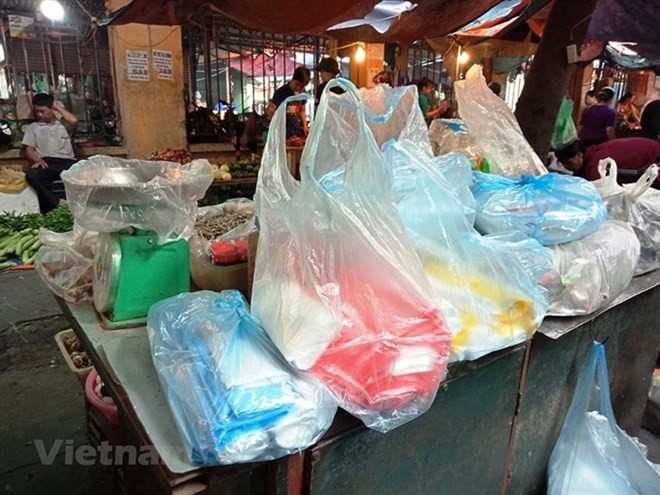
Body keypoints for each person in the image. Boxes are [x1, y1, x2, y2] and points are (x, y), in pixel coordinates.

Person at [23, 93, 78, 214]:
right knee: (32, 175)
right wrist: (37, 160)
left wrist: (57, 107)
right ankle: (57, 203)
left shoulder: (64, 125)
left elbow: (73, 120)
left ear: (52, 109)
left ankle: (82, 209)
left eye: (42, 111)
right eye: (37, 111)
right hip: (47, 163)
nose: (39, 114)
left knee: (87, 174)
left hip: (68, 163)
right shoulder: (33, 127)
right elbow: (29, 149)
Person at [555, 137, 660, 185]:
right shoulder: (592, 154)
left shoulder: (596, 164)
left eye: (568, 163)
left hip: (655, 156)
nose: (566, 168)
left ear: (579, 155)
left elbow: (598, 189)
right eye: (563, 164)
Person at [266, 66, 310, 138]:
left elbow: (302, 110)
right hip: (282, 133)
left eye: (302, 86)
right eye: (297, 84)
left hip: (296, 132)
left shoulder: (302, 93)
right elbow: (270, 109)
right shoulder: (280, 93)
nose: (298, 88)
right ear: (293, 79)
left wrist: (305, 126)